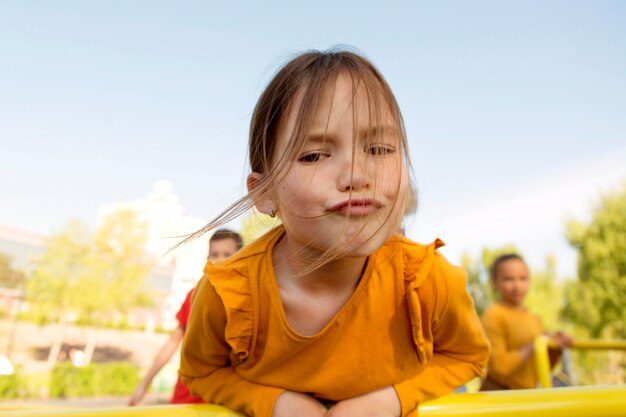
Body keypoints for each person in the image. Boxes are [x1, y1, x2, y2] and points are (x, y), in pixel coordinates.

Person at [179, 49, 490, 417]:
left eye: (379, 149)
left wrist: (390, 400)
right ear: (264, 193)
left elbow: (468, 355)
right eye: (313, 155)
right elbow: (201, 371)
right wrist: (274, 403)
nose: (357, 174)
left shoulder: (425, 278)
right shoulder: (229, 292)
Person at [128, 228, 244, 406]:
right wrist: (144, 384)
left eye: (227, 254)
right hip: (186, 395)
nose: (220, 259)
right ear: (207, 259)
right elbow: (173, 341)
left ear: (240, 258)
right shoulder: (194, 295)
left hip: (224, 399)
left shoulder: (246, 299)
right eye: (214, 254)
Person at [480, 254, 573, 391]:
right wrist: (532, 345)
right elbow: (499, 368)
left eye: (523, 279)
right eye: (508, 279)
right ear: (494, 282)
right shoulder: (493, 315)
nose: (517, 286)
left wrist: (556, 347)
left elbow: (540, 368)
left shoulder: (534, 318)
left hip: (526, 395)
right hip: (499, 395)